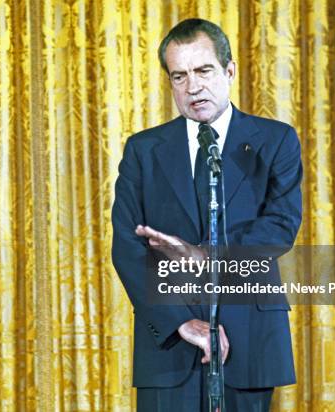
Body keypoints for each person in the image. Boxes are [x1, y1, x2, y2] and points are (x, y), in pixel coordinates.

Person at [111, 18, 302, 411]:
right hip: (170, 343)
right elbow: (127, 246)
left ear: (229, 70)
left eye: (203, 71)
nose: (192, 87)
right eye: (179, 76)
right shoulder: (144, 150)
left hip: (248, 336)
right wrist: (180, 321)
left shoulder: (275, 140)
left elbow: (280, 226)